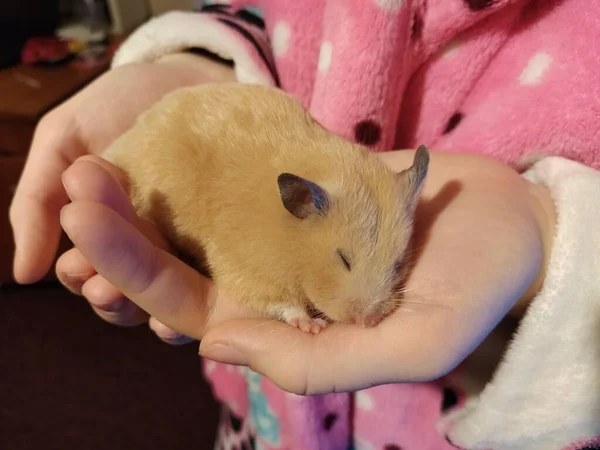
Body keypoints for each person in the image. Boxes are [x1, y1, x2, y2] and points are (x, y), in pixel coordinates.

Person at [9, 1, 600, 449]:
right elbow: (264, 11)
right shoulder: (276, 213)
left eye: (394, 264)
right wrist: (201, 56)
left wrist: (553, 236)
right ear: (299, 203)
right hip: (269, 415)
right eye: (347, 262)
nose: (371, 305)